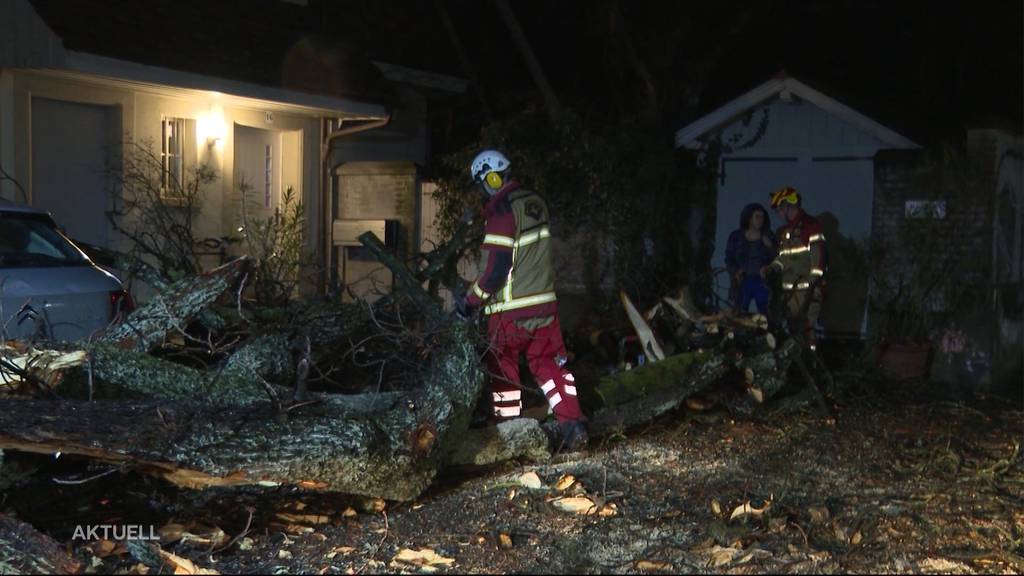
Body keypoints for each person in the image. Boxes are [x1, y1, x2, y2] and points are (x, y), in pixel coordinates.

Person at [459, 148, 588, 451]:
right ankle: (573, 426)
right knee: (552, 369)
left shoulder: (501, 212)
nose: (482, 193)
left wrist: (469, 302)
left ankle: (510, 436)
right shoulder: (535, 203)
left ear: (491, 179)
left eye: (482, 185)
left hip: (509, 313)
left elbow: (495, 271)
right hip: (544, 306)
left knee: (504, 376)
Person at [767, 186, 827, 350]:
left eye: (779, 209)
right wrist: (772, 268)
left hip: (807, 291)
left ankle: (811, 363)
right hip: (790, 292)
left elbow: (818, 261)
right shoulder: (787, 230)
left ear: (787, 206)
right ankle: (794, 363)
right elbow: (784, 257)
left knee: (806, 329)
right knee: (792, 329)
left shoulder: (810, 226)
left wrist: (810, 284)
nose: (778, 213)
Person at [724, 203, 776, 315]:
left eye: (762, 217)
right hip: (742, 280)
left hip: (762, 281)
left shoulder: (768, 236)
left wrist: (770, 247)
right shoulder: (736, 237)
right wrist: (736, 270)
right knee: (739, 313)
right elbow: (729, 258)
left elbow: (777, 258)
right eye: (757, 216)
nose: (760, 220)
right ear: (749, 218)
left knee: (766, 313)